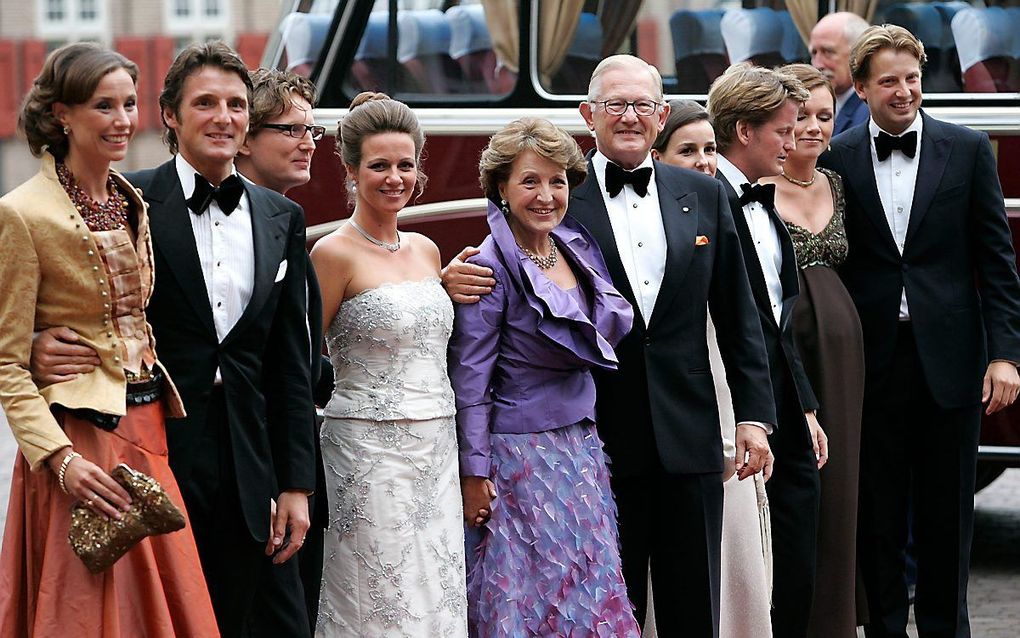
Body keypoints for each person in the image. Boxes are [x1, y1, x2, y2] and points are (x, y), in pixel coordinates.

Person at [446, 54, 777, 637]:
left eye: (642, 105)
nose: (629, 116)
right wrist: (447, 280)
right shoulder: (558, 198)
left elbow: (738, 312)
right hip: (591, 445)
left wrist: (753, 415)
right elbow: (504, 274)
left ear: (662, 114)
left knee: (692, 607)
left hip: (690, 436)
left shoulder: (704, 194)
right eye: (614, 105)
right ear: (587, 115)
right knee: (597, 610)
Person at [0, 42, 219, 637]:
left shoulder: (131, 200)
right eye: (104, 106)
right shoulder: (23, 213)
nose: (123, 121)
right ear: (61, 115)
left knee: (161, 605)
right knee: (88, 608)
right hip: (78, 435)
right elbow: (8, 364)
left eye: (128, 104)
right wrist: (60, 460)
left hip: (148, 424)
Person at [819, 25, 1020, 638]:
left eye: (912, 79)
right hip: (872, 363)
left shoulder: (968, 150)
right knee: (876, 514)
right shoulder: (838, 157)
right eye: (888, 82)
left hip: (952, 361)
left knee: (948, 516)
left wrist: (1005, 356)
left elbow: (997, 262)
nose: (904, 92)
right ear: (860, 88)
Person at [449, 117, 639, 636]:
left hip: (580, 453)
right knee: (533, 597)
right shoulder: (488, 266)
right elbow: (471, 382)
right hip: (519, 461)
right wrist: (474, 473)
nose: (546, 195)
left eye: (557, 182)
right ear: (501, 189)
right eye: (530, 181)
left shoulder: (571, 247)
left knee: (587, 589)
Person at [310, 92, 467, 637]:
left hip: (438, 446)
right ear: (351, 171)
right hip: (365, 454)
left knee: (437, 587)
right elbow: (307, 357)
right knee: (380, 593)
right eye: (379, 166)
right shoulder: (331, 254)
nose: (394, 178)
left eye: (405, 165)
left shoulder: (426, 250)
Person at [707, 63, 827, 638]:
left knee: (800, 544)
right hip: (732, 402)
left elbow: (779, 321)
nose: (796, 138)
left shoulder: (766, 205)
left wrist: (803, 405)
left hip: (783, 393)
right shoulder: (704, 203)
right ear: (744, 131)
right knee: (746, 557)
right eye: (784, 129)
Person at [651, 99, 773, 638]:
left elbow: (745, 316)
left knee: (730, 530)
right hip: (658, 399)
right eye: (688, 150)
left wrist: (756, 414)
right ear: (656, 156)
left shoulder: (717, 205)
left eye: (708, 149)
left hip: (717, 387)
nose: (704, 162)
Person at [759, 63, 867, 638]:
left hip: (844, 349)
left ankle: (835, 621)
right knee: (790, 482)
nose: (814, 127)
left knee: (841, 485)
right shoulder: (755, 190)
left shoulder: (838, 183)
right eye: (800, 115)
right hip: (785, 341)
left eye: (825, 115)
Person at [233, 66, 329, 631]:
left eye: (312, 130)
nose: (308, 142)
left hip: (295, 452)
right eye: (291, 130)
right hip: (244, 450)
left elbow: (303, 352)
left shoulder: (287, 220)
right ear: (246, 137)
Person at [809, 12, 870, 135]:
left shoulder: (871, 114)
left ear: (859, 54)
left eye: (828, 52)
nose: (817, 64)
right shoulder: (806, 105)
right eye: (814, 53)